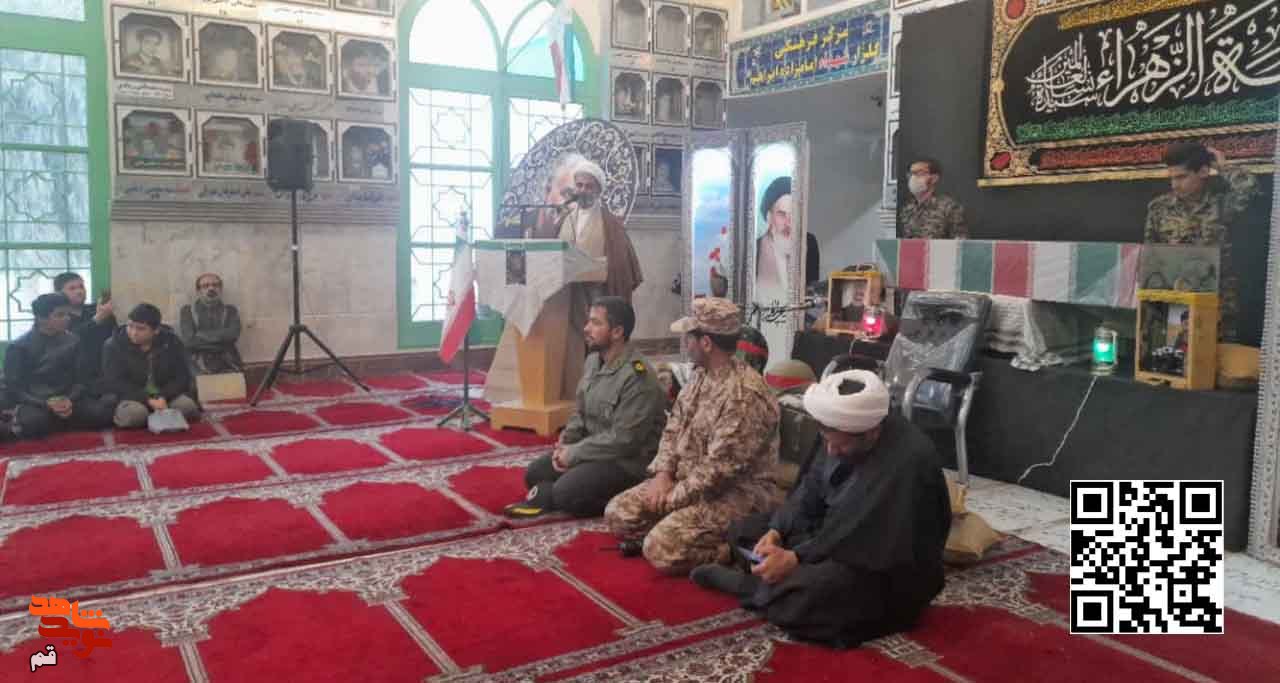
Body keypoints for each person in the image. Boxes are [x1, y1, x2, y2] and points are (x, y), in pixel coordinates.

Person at [691, 369, 951, 648]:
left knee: (815, 595)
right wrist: (777, 531)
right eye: (827, 441)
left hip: (881, 567)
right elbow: (810, 487)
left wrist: (795, 558)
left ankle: (749, 586)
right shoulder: (837, 428)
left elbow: (858, 533)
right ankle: (776, 581)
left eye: (839, 446)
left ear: (871, 433)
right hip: (827, 535)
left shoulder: (908, 462)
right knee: (745, 531)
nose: (830, 451)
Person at [604, 298, 784, 574]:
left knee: (659, 547)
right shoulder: (701, 375)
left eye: (688, 337)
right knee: (618, 514)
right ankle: (679, 528)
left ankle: (730, 552)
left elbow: (717, 471)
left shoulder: (745, 395)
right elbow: (673, 428)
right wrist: (663, 475)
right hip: (686, 483)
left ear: (706, 343)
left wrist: (668, 499)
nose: (685, 343)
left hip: (736, 496)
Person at [504, 297, 667, 518]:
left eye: (595, 323)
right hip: (595, 451)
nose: (586, 328)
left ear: (617, 332)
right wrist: (566, 442)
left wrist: (575, 454)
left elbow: (624, 440)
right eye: (588, 321)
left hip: (628, 462)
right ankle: (561, 489)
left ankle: (623, 495)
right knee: (535, 473)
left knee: (566, 494)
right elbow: (580, 412)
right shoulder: (593, 361)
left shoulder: (638, 376)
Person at [1145, 143, 1258, 342]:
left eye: (1181, 177)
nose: (1174, 185)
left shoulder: (1221, 204)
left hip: (1217, 302)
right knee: (1174, 355)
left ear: (1203, 172)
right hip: (1174, 300)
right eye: (1171, 178)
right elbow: (1150, 255)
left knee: (1215, 356)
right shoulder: (1159, 208)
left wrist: (1222, 166)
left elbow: (1249, 188)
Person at [3, 293, 115, 438]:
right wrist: (46, 404)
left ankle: (58, 421)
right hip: (36, 402)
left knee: (102, 414)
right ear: (41, 318)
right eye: (60, 315)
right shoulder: (19, 347)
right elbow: (14, 388)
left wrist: (69, 399)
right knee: (34, 424)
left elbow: (82, 378)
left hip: (70, 398)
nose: (67, 318)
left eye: (68, 314)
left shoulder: (73, 341)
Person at [102, 303, 201, 429]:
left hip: (164, 394)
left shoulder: (171, 342)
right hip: (131, 397)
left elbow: (182, 376)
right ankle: (154, 416)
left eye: (141, 328)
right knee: (135, 415)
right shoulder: (113, 345)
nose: (133, 332)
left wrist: (163, 397)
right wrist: (147, 400)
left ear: (156, 330)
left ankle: (155, 416)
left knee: (187, 408)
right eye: (130, 326)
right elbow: (115, 382)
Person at [53, 272, 115, 391]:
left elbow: (114, 335)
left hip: (105, 374)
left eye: (81, 287)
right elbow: (71, 337)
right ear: (58, 293)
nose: (79, 291)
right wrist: (98, 318)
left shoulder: (96, 310)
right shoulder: (58, 316)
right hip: (74, 380)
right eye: (72, 288)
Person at [179, 272, 243, 374]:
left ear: (220, 289)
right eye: (205, 286)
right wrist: (222, 339)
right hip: (197, 363)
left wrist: (200, 334)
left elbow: (233, 335)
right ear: (198, 291)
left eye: (215, 285)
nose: (211, 288)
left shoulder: (231, 310)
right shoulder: (187, 311)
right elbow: (189, 341)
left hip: (227, 361)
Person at [899, 158, 968, 239]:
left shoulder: (949, 208)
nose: (913, 178)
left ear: (934, 178)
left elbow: (960, 242)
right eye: (911, 174)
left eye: (920, 173)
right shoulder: (907, 209)